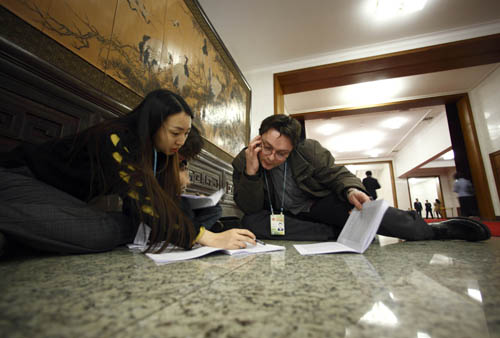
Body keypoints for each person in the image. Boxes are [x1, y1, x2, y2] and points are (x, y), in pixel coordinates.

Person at [0, 89, 256, 257]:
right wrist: (207, 237)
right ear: (153, 125)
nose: (180, 141)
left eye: (186, 133)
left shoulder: (156, 153)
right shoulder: (116, 138)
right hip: (22, 178)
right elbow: (146, 203)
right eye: (175, 133)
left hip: (63, 198)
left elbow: (156, 204)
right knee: (101, 231)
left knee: (110, 227)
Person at [231, 114, 490, 242]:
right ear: (258, 137)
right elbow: (251, 206)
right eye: (266, 147)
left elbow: (337, 175)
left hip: (317, 204)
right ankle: (336, 233)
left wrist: (351, 190)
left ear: (293, 149)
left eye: (281, 153)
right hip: (284, 216)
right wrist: (252, 172)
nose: (271, 157)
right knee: (251, 223)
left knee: (361, 209)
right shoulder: (243, 161)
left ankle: (433, 231)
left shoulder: (308, 150)